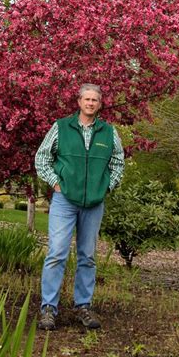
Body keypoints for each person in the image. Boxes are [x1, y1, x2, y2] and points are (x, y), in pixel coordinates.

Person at [35, 83, 124, 331]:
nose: (91, 103)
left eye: (95, 99)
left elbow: (118, 163)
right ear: (79, 102)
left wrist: (106, 187)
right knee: (56, 253)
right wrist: (55, 183)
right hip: (64, 201)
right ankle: (48, 310)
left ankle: (83, 306)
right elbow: (42, 157)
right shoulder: (61, 127)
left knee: (87, 256)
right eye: (87, 99)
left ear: (100, 104)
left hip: (94, 203)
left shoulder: (108, 133)